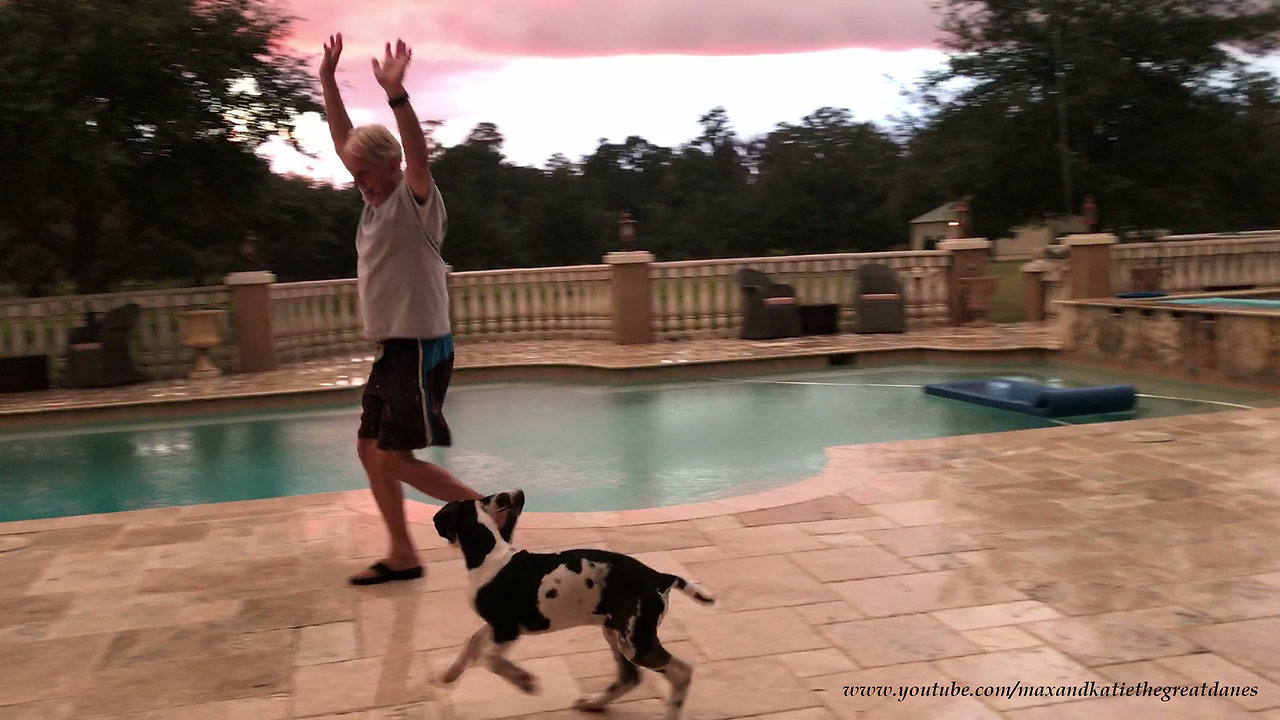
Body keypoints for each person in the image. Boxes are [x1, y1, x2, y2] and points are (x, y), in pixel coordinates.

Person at [320, 33, 495, 585]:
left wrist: (398, 97)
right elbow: (345, 139)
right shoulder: (372, 203)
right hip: (393, 348)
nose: (359, 180)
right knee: (370, 450)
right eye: (355, 173)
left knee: (393, 457)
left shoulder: (414, 201)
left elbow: (416, 154)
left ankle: (488, 512)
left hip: (420, 346)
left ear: (390, 165)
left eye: (366, 171)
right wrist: (327, 81)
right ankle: (402, 553)